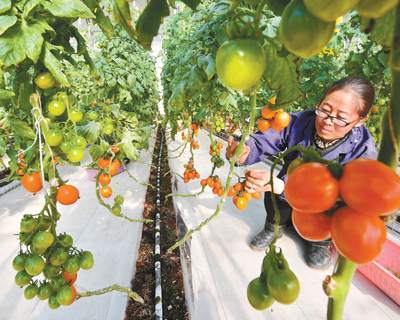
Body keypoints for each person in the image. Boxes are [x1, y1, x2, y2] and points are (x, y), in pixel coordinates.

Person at [226, 77, 378, 270]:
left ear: (360, 120)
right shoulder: (300, 122)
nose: (328, 122)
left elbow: (346, 198)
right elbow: (268, 139)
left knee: (329, 208)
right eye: (325, 110)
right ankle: (274, 227)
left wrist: (283, 187)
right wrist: (245, 149)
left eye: (340, 118)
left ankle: (321, 242)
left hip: (327, 205)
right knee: (274, 191)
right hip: (287, 192)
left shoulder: (363, 151)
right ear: (319, 103)